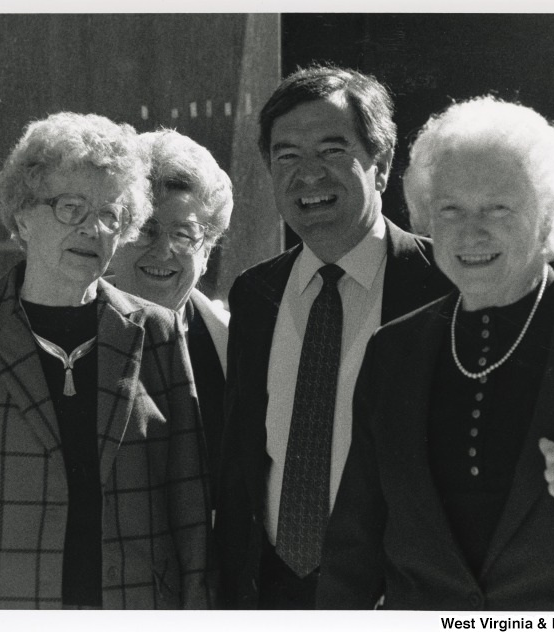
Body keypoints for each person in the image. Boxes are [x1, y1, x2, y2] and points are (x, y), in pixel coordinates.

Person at [316, 95, 554, 610]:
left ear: (547, 217)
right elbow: (354, 544)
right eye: (450, 209)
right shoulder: (394, 351)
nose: (471, 232)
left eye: (498, 207)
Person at [0, 112, 212, 609]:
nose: (93, 229)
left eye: (111, 214)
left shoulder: (159, 334)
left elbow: (187, 502)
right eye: (71, 208)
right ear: (22, 215)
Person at [214, 65, 452, 609]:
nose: (308, 174)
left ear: (383, 163)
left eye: (331, 150)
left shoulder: (445, 284)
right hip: (271, 593)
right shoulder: (255, 295)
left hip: (400, 593)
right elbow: (243, 461)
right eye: (287, 156)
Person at [111, 129, 233, 505]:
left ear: (207, 251)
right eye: (147, 230)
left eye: (184, 234)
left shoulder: (233, 345)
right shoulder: (71, 332)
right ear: (117, 234)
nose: (163, 251)